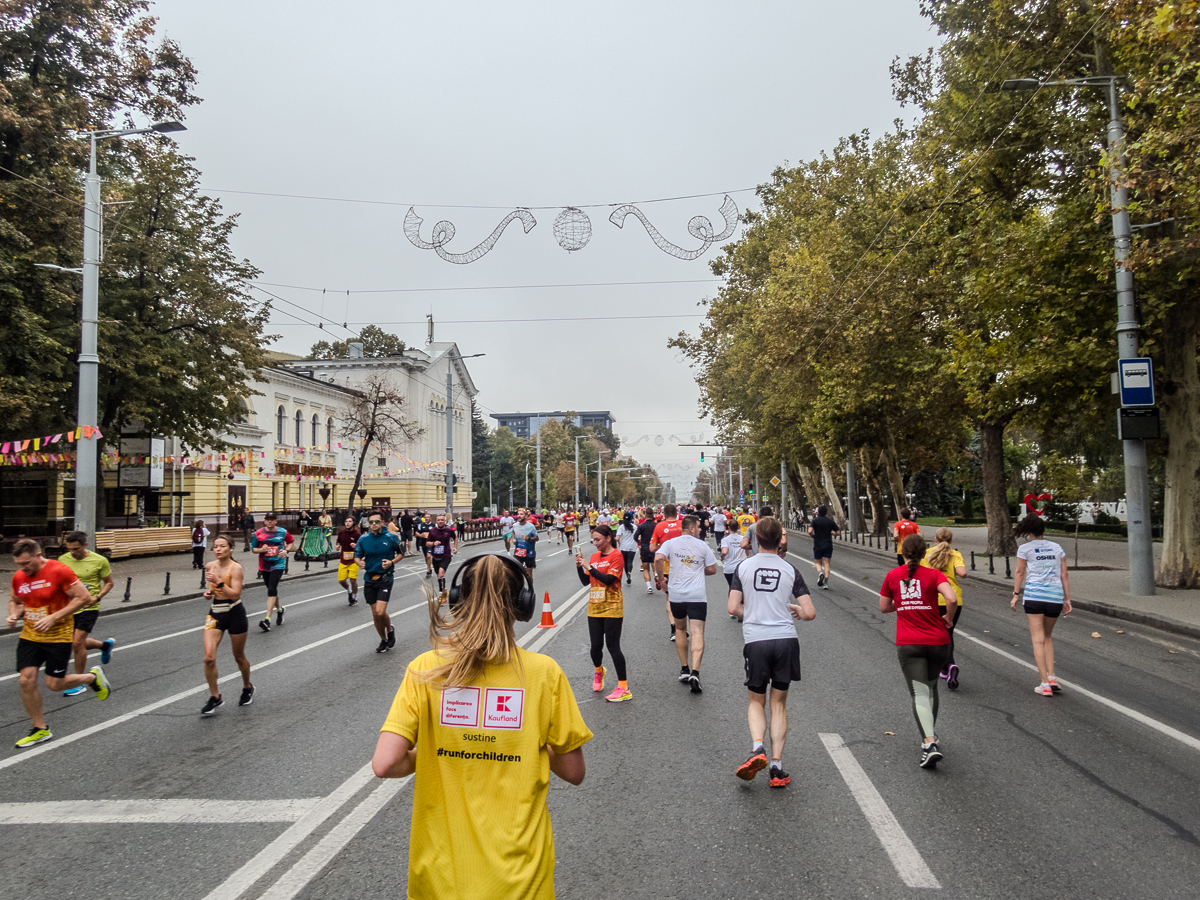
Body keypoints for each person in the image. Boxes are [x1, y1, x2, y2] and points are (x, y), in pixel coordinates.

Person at [372, 554, 592, 899]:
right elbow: (573, 771)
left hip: (441, 873)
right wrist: (519, 740)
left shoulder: (426, 668)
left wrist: (432, 750)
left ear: (458, 600)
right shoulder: (544, 673)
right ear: (523, 605)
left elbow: (384, 764)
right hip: (520, 877)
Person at [728, 517, 815, 787]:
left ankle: (757, 749)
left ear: (755, 539)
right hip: (786, 640)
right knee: (778, 704)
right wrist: (795, 609)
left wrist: (754, 613)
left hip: (756, 640)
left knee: (756, 701)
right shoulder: (790, 569)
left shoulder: (743, 567)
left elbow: (733, 608)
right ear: (781, 540)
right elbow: (809, 613)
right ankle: (777, 768)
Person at [8, 539, 112, 748]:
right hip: (30, 635)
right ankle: (40, 729)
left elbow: (82, 597)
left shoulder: (60, 571)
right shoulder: (20, 576)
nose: (23, 568)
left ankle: (91, 678)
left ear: (38, 555)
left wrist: (54, 617)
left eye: (26, 563)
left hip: (58, 635)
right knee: (25, 680)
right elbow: (15, 600)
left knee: (54, 684)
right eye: (19, 564)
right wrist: (12, 614)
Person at [879, 534, 959, 769]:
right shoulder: (934, 574)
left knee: (919, 693)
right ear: (925, 554)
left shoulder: (893, 576)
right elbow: (951, 598)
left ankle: (929, 744)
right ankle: (930, 735)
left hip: (909, 644)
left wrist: (902, 604)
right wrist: (949, 618)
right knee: (931, 688)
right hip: (938, 642)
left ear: (902, 553)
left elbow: (884, 608)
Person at [1011, 514, 1072, 696]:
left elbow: (1020, 572)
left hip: (1034, 597)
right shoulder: (1057, 548)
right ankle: (1052, 677)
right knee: (1047, 637)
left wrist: (1015, 595)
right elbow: (1064, 574)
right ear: (1043, 530)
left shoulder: (1025, 549)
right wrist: (1067, 599)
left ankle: (1044, 684)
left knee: (1037, 638)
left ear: (1028, 531)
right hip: (1054, 596)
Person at [655, 515, 717, 693]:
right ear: (691, 528)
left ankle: (684, 669)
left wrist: (661, 579)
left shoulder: (671, 543)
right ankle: (695, 672)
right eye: (698, 527)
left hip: (677, 595)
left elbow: (658, 559)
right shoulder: (702, 545)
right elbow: (712, 569)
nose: (699, 530)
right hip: (697, 595)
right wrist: (697, 568)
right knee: (697, 632)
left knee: (681, 629)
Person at [575, 524, 632, 702]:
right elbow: (587, 581)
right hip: (595, 606)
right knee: (595, 647)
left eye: (598, 540)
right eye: (593, 540)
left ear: (609, 538)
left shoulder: (617, 556)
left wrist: (589, 567)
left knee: (613, 647)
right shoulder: (594, 556)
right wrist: (580, 566)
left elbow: (608, 580)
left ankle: (623, 687)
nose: (595, 543)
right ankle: (599, 671)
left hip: (613, 606)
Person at [57, 532, 115, 696]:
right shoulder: (63, 559)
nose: (72, 553)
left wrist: (97, 597)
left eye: (76, 549)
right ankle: (104, 645)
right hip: (70, 607)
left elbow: (109, 583)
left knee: (76, 643)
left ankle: (80, 681)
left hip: (89, 607)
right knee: (73, 642)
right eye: (69, 549)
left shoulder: (99, 561)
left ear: (84, 545)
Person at [201, 534, 253, 715]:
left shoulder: (236, 568)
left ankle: (247, 687)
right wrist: (208, 593)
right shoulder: (210, 566)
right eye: (215, 546)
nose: (218, 549)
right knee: (209, 657)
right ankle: (215, 697)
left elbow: (235, 594)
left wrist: (219, 582)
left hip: (234, 613)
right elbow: (211, 589)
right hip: (216, 613)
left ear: (231, 549)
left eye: (222, 546)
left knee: (238, 656)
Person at [922, 527, 968, 690]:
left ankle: (948, 665)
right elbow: (962, 573)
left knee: (935, 635)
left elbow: (919, 572)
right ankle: (946, 667)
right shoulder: (955, 554)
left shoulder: (927, 554)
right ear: (951, 540)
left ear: (935, 539)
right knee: (948, 632)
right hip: (953, 598)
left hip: (933, 597)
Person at [355, 512, 405, 653]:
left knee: (380, 611)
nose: (374, 525)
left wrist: (392, 562)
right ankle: (383, 640)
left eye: (376, 522)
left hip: (385, 578)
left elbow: (402, 553)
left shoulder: (391, 537)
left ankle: (389, 629)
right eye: (371, 522)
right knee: (375, 614)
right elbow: (357, 556)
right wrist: (359, 563)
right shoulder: (363, 539)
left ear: (382, 522)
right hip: (369, 579)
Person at [251, 512, 293, 632]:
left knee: (271, 590)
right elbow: (253, 549)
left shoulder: (282, 532)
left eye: (272, 519)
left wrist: (286, 551)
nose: (269, 521)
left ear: (276, 521)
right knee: (272, 589)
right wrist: (261, 549)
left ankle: (267, 620)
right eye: (267, 519)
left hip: (278, 564)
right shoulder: (258, 533)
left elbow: (290, 542)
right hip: (264, 565)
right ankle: (280, 610)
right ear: (264, 521)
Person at [427, 513, 459, 600]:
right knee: (439, 576)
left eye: (442, 520)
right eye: (439, 520)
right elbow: (427, 543)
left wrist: (455, 548)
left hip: (446, 556)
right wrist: (433, 543)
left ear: (444, 521)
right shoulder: (432, 531)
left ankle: (441, 595)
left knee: (441, 573)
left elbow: (455, 538)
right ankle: (444, 590)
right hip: (436, 557)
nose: (440, 521)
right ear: (436, 521)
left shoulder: (449, 531)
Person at [807, 506, 841, 589]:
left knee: (817, 562)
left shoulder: (815, 521)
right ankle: (825, 582)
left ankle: (820, 573)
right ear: (826, 512)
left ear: (818, 512)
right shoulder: (830, 521)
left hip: (818, 544)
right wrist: (833, 534)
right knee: (827, 563)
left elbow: (810, 531)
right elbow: (838, 532)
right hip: (828, 544)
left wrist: (813, 536)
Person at [720, 525, 747, 620]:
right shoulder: (743, 538)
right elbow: (747, 551)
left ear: (729, 528)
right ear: (738, 527)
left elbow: (724, 551)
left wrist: (722, 557)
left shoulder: (725, 539)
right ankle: (742, 608)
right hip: (741, 566)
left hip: (729, 568)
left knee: (732, 588)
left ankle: (733, 610)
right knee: (742, 588)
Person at [336, 516, 361, 606]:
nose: (347, 523)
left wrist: (356, 546)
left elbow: (362, 546)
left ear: (353, 523)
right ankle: (349, 591)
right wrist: (338, 546)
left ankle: (354, 596)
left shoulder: (357, 534)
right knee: (341, 581)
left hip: (354, 560)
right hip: (343, 560)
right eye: (346, 521)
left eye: (349, 521)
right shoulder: (341, 533)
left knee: (353, 580)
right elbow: (338, 541)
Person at [634, 511, 657, 597]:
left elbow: (635, 537)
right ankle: (656, 575)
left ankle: (649, 586)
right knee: (654, 565)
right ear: (653, 516)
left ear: (646, 516)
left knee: (646, 568)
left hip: (644, 548)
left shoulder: (641, 526)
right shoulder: (656, 525)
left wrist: (640, 541)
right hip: (654, 547)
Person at [511, 510, 539, 581]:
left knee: (529, 574)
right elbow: (513, 532)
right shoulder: (515, 525)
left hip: (529, 553)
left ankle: (531, 590)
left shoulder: (531, 526)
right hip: (518, 552)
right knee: (516, 573)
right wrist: (513, 539)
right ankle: (518, 590)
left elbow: (537, 538)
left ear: (526, 516)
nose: (519, 516)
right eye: (518, 514)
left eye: (521, 514)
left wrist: (528, 538)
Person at [615, 514, 638, 585]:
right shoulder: (634, 527)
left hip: (623, 547)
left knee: (624, 562)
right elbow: (637, 536)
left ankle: (627, 575)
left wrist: (617, 541)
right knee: (630, 561)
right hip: (632, 546)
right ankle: (629, 572)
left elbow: (617, 538)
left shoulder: (621, 527)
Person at [414, 511, 433, 578]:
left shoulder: (433, 525)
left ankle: (428, 570)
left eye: (428, 517)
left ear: (430, 518)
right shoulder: (421, 525)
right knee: (426, 557)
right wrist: (420, 535)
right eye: (425, 517)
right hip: (423, 542)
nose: (426, 518)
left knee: (428, 555)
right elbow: (416, 532)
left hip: (430, 543)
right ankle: (429, 568)